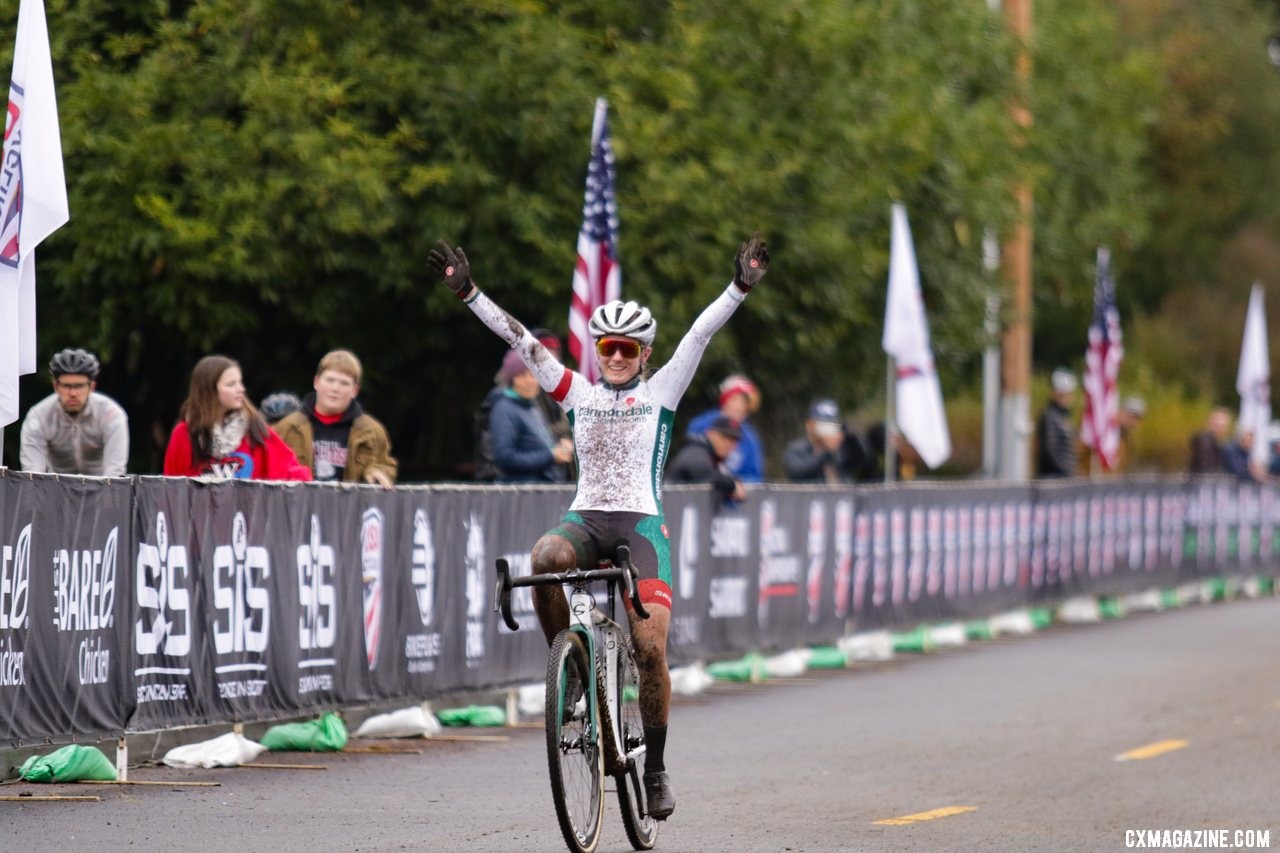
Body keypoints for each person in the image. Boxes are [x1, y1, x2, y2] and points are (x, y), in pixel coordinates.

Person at [428, 231, 769, 821]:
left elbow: (701, 333)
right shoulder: (576, 393)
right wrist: (469, 293)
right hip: (587, 517)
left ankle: (656, 768)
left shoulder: (662, 392)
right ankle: (573, 671)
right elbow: (522, 341)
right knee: (544, 558)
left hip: (640, 526)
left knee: (649, 645)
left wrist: (739, 287)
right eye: (607, 346)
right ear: (597, 350)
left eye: (627, 349)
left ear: (644, 354)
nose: (615, 356)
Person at [163, 355, 312, 481]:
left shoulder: (254, 428)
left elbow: (288, 471)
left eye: (240, 382)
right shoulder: (184, 434)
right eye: (231, 384)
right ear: (210, 389)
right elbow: (170, 489)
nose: (241, 389)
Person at [275, 350, 398, 488]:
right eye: (330, 380)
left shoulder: (371, 431)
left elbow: (386, 464)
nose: (335, 388)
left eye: (344, 383)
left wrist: (377, 471)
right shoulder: (287, 427)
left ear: (355, 391)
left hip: (351, 508)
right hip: (301, 508)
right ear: (316, 382)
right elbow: (268, 468)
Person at [474, 327, 574, 481]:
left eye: (534, 375)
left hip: (544, 490)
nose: (529, 381)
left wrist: (559, 447)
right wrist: (552, 455)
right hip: (517, 494)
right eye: (522, 375)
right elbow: (504, 457)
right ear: (513, 378)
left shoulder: (531, 404)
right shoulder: (503, 407)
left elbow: (534, 442)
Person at [19, 348, 129, 476]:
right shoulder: (38, 417)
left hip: (101, 489)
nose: (73, 393)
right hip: (54, 490)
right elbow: (33, 473)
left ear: (91, 387)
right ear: (56, 387)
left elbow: (115, 471)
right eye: (66, 386)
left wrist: (106, 494)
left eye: (79, 386)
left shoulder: (111, 414)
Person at [685, 374, 765, 482]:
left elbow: (754, 476)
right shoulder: (701, 425)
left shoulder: (750, 438)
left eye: (745, 403)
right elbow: (689, 461)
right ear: (726, 399)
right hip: (700, 491)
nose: (740, 407)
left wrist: (736, 485)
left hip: (732, 496)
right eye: (736, 400)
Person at [783, 399, 873, 483]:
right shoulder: (797, 449)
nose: (828, 430)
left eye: (832, 425)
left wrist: (851, 437)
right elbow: (796, 473)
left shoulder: (840, 451)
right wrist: (827, 452)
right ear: (810, 425)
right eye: (823, 425)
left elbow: (863, 457)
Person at [668, 414, 745, 503]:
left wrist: (733, 483)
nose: (728, 444)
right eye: (724, 437)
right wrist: (733, 485)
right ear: (710, 433)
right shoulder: (695, 449)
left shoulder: (715, 457)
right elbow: (705, 474)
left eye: (733, 440)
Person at [1035, 368, 1078, 478]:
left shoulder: (1064, 417)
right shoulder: (1049, 416)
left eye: (1069, 393)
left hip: (1063, 478)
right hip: (1053, 480)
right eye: (1062, 394)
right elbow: (1050, 450)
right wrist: (1065, 473)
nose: (1066, 397)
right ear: (1054, 393)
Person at [1189, 407, 1231, 474]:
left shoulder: (1218, 443)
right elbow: (1206, 469)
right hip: (1201, 482)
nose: (1222, 429)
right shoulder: (1204, 441)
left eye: (1224, 426)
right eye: (1219, 425)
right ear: (1210, 423)